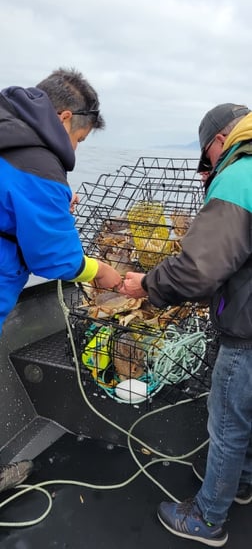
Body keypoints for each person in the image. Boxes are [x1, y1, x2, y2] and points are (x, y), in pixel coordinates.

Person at [119, 103, 252, 547]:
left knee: (228, 424)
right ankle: (242, 480)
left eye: (206, 161)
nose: (207, 170)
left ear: (219, 142)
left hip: (249, 332)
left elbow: (197, 270)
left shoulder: (238, 175)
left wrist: (148, 285)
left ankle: (207, 517)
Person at [0, 68, 122, 492]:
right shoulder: (37, 164)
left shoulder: (8, 136)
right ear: (65, 118)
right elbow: (56, 259)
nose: (74, 150)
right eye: (79, 140)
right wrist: (102, 272)